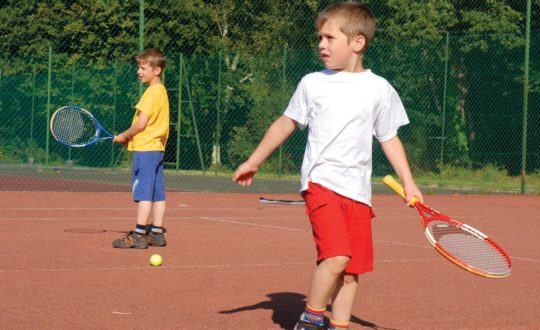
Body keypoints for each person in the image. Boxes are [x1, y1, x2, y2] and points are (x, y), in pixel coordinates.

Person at [232, 2, 423, 330]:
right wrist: (253, 160)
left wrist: (409, 181)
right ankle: (310, 318)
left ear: (357, 43)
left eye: (329, 38)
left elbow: (389, 138)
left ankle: (339, 325)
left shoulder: (380, 89)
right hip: (321, 184)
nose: (321, 44)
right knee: (336, 258)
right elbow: (285, 123)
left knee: (350, 274)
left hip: (359, 194)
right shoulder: (312, 83)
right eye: (319, 37)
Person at [112, 48, 170, 249]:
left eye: (143, 67)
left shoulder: (150, 93)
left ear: (157, 70)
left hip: (146, 151)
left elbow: (141, 124)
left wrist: (123, 136)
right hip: (156, 149)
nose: (139, 71)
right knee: (157, 194)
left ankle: (138, 235)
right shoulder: (162, 92)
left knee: (144, 193)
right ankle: (156, 233)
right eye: (138, 67)